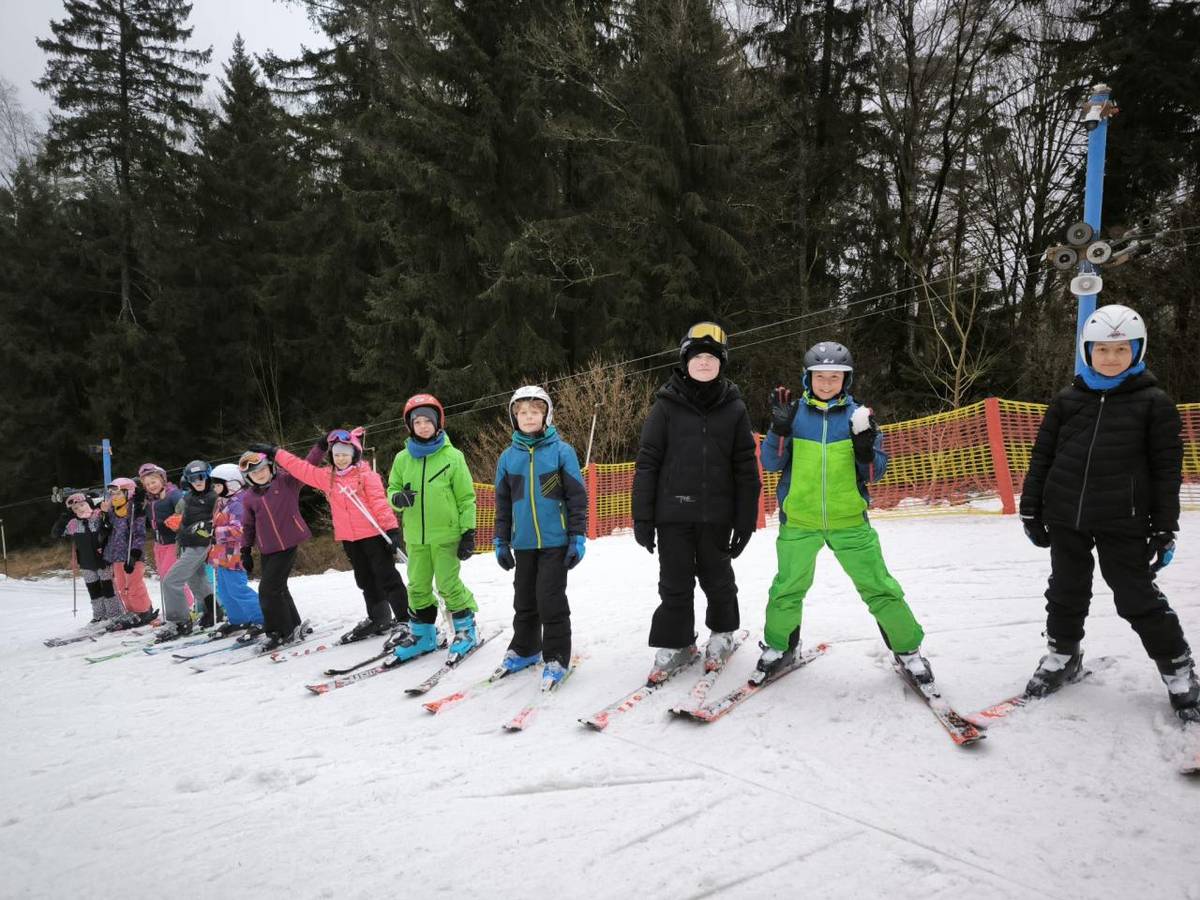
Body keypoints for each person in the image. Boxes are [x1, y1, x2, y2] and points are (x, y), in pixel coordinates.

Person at [1020, 304, 1198, 722]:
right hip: (1066, 515)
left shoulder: (1154, 403)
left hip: (1124, 519)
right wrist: (1031, 508)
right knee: (1065, 590)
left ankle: (1178, 669)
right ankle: (1063, 655)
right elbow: (1043, 456)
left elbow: (1166, 472)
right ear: (1088, 351)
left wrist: (1164, 528)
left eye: (1121, 350)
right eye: (1102, 349)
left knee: (1136, 596)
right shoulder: (1068, 400)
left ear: (1138, 351)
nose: (1111, 357)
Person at [757, 341, 932, 686]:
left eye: (834, 377)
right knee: (786, 588)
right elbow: (771, 463)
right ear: (808, 378)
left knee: (879, 586)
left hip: (850, 521)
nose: (826, 383)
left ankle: (908, 652)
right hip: (800, 521)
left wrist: (865, 451)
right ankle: (779, 648)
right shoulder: (794, 415)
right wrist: (778, 429)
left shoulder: (859, 417)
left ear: (846, 380)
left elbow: (875, 473)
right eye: (820, 376)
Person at [632, 322, 761, 683]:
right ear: (685, 362)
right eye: (697, 357)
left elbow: (745, 466)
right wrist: (642, 518)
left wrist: (746, 519)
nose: (704, 363)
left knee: (718, 579)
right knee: (674, 582)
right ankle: (677, 643)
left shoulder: (734, 408)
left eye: (712, 357)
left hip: (716, 515)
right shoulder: (665, 406)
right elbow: (647, 463)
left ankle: (722, 633)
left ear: (722, 363)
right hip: (672, 515)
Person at [269, 428, 411, 645]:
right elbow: (300, 468)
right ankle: (379, 618)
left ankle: (405, 619)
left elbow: (380, 504)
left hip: (374, 535)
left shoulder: (366, 476)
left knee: (387, 577)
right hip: (350, 539)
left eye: (345, 454)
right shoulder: (328, 478)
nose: (341, 458)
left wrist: (392, 531)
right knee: (365, 580)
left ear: (355, 454)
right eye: (336, 455)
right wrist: (275, 453)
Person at [493, 385, 587, 687]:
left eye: (535, 411)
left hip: (555, 542)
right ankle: (525, 649)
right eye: (522, 412)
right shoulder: (508, 458)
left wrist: (577, 537)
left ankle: (557, 656)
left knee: (550, 600)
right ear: (514, 418)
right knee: (524, 599)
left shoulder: (561, 452)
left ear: (547, 415)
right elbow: (503, 504)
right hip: (524, 543)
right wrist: (501, 540)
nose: (529, 417)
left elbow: (576, 497)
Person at [386, 395, 479, 663]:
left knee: (448, 584)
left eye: (428, 421)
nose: (423, 426)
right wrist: (397, 499)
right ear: (410, 426)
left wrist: (468, 532)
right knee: (417, 586)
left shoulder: (453, 457)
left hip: (447, 535)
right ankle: (423, 635)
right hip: (416, 537)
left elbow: (466, 497)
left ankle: (466, 629)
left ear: (438, 423)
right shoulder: (402, 459)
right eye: (417, 422)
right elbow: (392, 489)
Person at [238, 443, 323, 651]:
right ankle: (293, 625)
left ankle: (279, 632)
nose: (259, 475)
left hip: (288, 543)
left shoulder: (287, 482)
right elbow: (248, 526)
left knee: (268, 590)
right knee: (279, 588)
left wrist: (320, 448)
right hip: (267, 549)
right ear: (248, 477)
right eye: (254, 473)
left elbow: (306, 465)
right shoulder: (249, 498)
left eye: (262, 469)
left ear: (271, 467)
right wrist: (245, 550)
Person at [156, 460, 217, 641]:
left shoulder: (214, 497)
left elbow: (220, 518)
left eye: (201, 477)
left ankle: (180, 622)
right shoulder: (188, 497)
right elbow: (181, 516)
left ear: (208, 476)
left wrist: (206, 527)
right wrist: (177, 522)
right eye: (193, 478)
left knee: (171, 581)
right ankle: (213, 611)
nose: (198, 481)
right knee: (196, 580)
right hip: (187, 543)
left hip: (201, 544)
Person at [207, 463, 263, 638]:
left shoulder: (239, 502)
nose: (215, 488)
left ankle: (261, 618)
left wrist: (215, 532)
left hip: (235, 554)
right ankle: (238, 619)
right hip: (222, 553)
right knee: (225, 591)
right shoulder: (221, 501)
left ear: (231, 484)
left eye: (218, 485)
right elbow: (218, 522)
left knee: (238, 589)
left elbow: (240, 530)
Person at [52, 492, 118, 623]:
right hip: (86, 563)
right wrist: (62, 520)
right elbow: (56, 534)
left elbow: (110, 528)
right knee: (94, 591)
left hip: (103, 560)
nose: (80, 509)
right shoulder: (74, 524)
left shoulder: (99, 516)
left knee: (108, 589)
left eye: (82, 505)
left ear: (89, 504)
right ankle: (99, 615)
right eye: (75, 508)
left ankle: (114, 613)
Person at [137, 462, 194, 616]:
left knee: (172, 578)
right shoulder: (150, 499)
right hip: (159, 544)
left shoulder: (173, 495)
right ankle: (175, 609)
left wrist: (176, 520)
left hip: (173, 543)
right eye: (147, 484)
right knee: (164, 577)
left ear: (162, 479)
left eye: (154, 481)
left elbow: (186, 513)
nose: (151, 486)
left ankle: (188, 608)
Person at [100, 477, 156, 629]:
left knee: (134, 586)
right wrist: (104, 515)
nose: (114, 497)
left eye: (118, 493)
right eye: (113, 494)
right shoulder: (112, 511)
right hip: (116, 556)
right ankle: (131, 612)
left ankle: (143, 611)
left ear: (128, 493)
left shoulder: (135, 511)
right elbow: (108, 533)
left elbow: (139, 534)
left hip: (132, 556)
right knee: (121, 587)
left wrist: (135, 554)